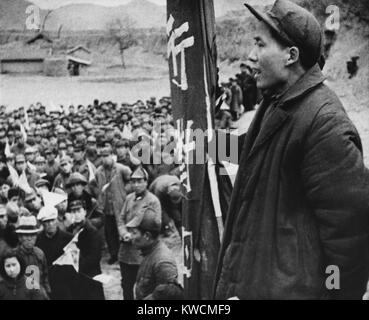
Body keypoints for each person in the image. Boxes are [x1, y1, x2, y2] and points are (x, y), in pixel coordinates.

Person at [214, 0, 369, 300]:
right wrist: (189, 148)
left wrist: (334, 296)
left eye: (259, 44)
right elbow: (251, 152)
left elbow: (349, 240)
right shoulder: (278, 101)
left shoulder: (325, 124)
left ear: (291, 55)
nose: (250, 55)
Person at [116, 167, 161, 300]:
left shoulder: (153, 201)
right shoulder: (129, 198)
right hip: (126, 251)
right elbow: (121, 219)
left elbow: (156, 225)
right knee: (126, 286)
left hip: (142, 253)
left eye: (139, 181)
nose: (136, 185)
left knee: (144, 288)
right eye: (133, 182)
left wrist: (136, 236)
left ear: (146, 182)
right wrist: (124, 233)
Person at [126, 207, 179, 300]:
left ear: (147, 235)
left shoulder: (163, 262)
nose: (130, 237)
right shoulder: (148, 251)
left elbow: (169, 296)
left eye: (134, 233)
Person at [92, 146, 132, 264]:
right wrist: (99, 195)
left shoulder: (121, 169)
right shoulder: (98, 171)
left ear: (112, 156)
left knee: (122, 229)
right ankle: (113, 254)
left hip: (119, 206)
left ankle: (124, 254)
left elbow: (131, 180)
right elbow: (93, 184)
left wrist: (124, 191)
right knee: (109, 233)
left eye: (107, 156)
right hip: (106, 208)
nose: (105, 159)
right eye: (103, 157)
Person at [67, 200, 105, 300]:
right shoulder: (69, 230)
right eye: (73, 212)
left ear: (84, 212)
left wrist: (78, 265)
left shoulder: (92, 231)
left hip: (90, 276)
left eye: (79, 211)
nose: (76, 214)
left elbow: (95, 257)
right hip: (74, 277)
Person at [36, 206, 74, 300]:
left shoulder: (68, 238)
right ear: (42, 223)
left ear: (57, 220)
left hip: (65, 284)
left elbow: (75, 264)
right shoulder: (38, 240)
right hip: (46, 284)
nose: (50, 224)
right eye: (47, 221)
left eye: (53, 220)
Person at [16, 215, 50, 299]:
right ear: (20, 237)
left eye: (32, 235)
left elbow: (45, 276)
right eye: (26, 235)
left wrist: (46, 291)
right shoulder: (14, 256)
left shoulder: (40, 253)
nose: (29, 238)